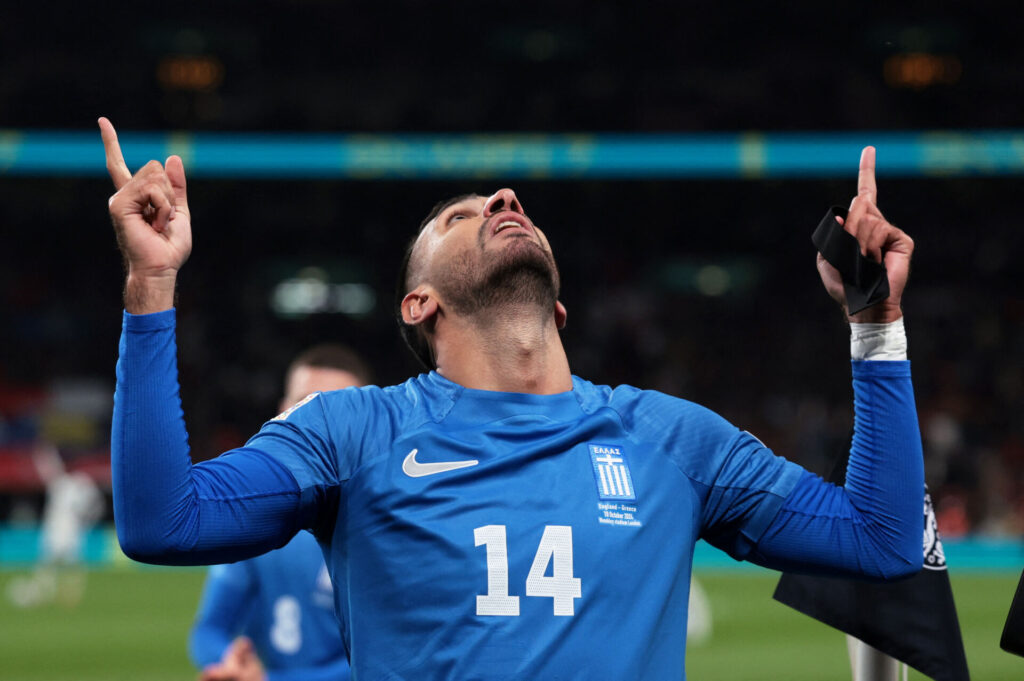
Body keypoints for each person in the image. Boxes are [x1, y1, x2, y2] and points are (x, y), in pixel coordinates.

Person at [99, 116, 923, 680]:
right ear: (419, 305)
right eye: (461, 215)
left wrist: (875, 322)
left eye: (509, 203)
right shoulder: (351, 433)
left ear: (558, 306)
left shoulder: (672, 439)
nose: (503, 199)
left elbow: (883, 542)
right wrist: (151, 282)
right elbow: (161, 521)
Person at [188, 345, 371, 681]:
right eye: (305, 404)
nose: (321, 423)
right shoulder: (254, 520)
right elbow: (209, 629)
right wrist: (231, 661)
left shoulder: (388, 527)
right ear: (283, 413)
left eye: (336, 407)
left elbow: (391, 659)